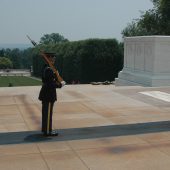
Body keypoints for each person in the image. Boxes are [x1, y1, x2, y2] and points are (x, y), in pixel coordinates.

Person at [38, 52, 62, 136]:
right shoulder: (48, 69)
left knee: (46, 113)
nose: (54, 59)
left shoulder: (47, 68)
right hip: (48, 94)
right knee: (48, 114)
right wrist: (60, 84)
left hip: (46, 93)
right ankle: (48, 131)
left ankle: (46, 129)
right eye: (53, 57)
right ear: (49, 58)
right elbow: (50, 84)